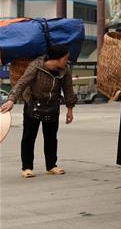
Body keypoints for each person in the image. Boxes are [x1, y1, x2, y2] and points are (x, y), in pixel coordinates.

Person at [2, 44, 76, 178]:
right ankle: (27, 167)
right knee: (29, 137)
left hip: (52, 105)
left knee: (51, 137)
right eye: (65, 58)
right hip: (33, 104)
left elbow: (68, 90)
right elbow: (22, 83)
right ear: (56, 59)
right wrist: (11, 99)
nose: (67, 61)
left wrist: (70, 109)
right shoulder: (35, 66)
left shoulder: (64, 70)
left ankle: (51, 165)